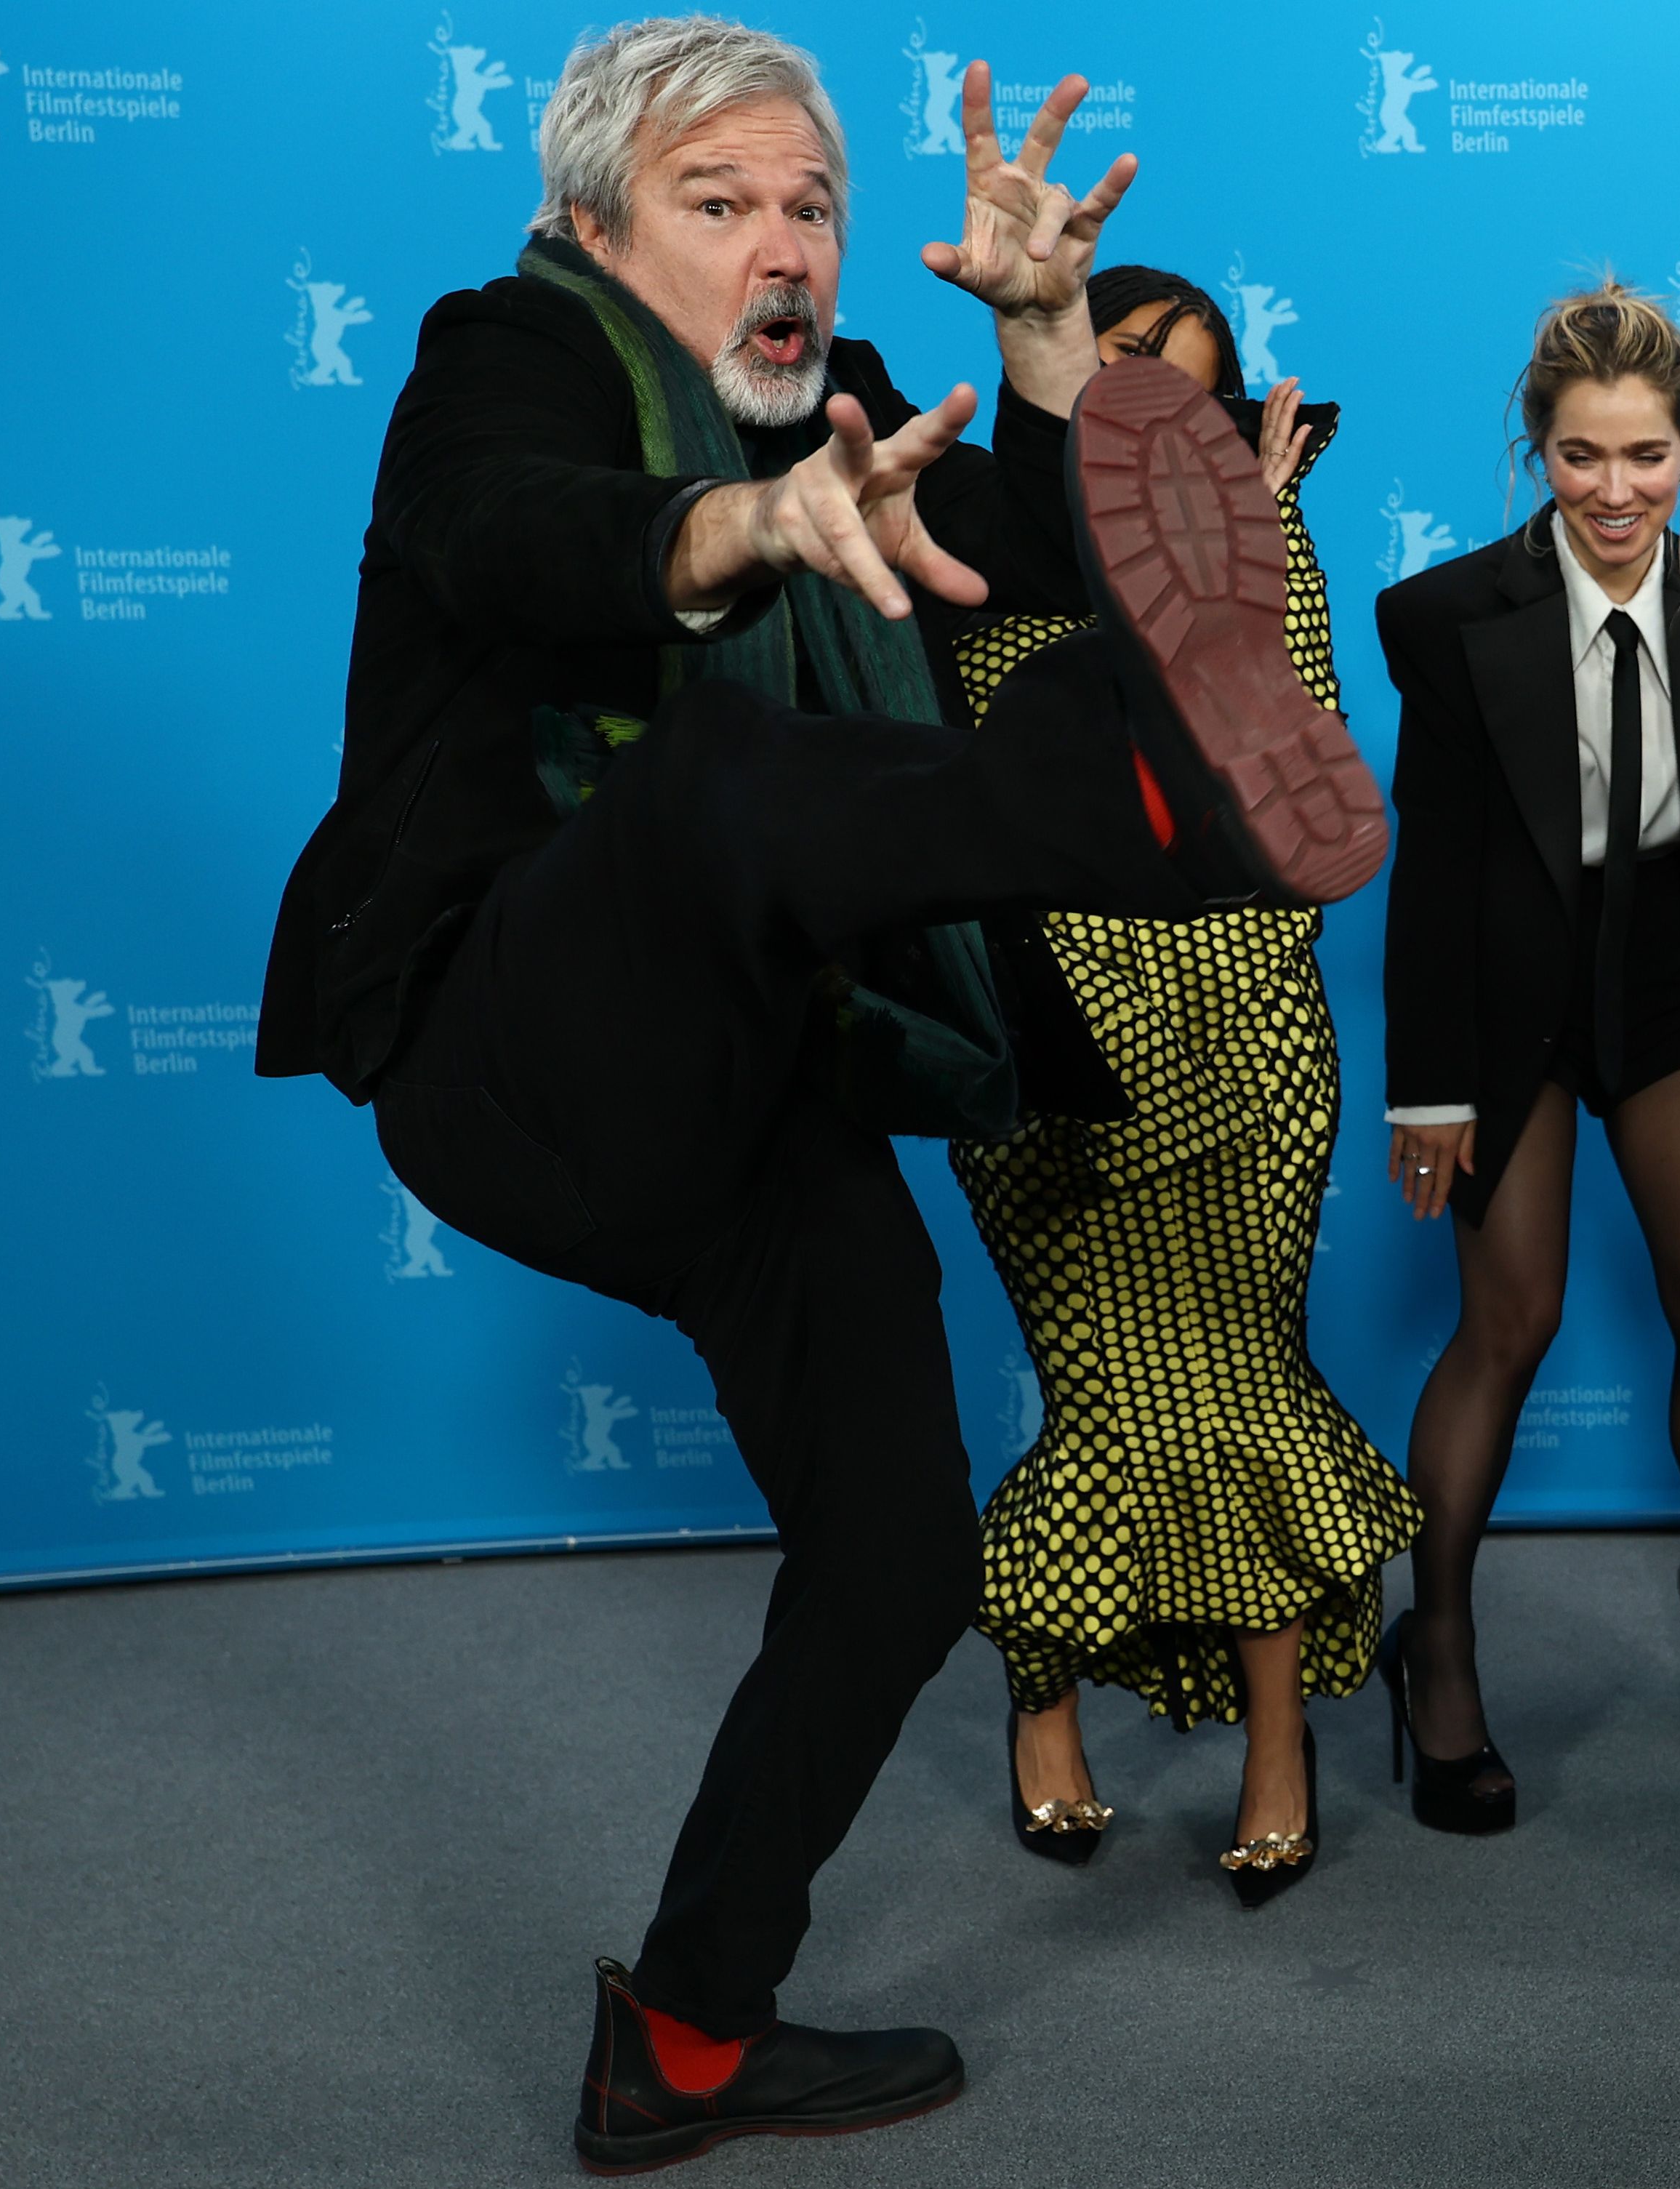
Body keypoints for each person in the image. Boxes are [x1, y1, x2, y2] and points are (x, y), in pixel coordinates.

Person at [250, 21, 1382, 2170]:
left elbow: (1049, 556)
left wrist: (1049, 342)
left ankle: (683, 2034)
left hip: (753, 1085)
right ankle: (1152, 792)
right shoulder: (506, 350)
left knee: (897, 1557)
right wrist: (740, 524)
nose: (784, 246)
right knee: (722, 777)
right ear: (592, 228)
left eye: (813, 206)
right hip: (513, 1029)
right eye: (720, 203)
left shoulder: (851, 391)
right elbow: (515, 535)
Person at [953, 263, 1418, 1908]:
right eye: (1129, 356)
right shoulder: (965, 527)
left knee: (1240, 1382)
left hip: (1246, 1022)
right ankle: (1042, 1707)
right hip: (1057, 1023)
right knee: (1109, 1399)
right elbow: (953, 784)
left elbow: (1305, 790)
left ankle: (1279, 1750)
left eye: (1193, 386)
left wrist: (1251, 538)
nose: (1151, 395)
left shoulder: (1256, 546)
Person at [1372, 279, 1680, 1831]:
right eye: (1581, 457)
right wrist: (1429, 1084)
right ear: (1536, 453)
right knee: (1509, 1320)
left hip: (1671, 995)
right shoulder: (1441, 620)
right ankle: (1434, 1643)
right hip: (1509, 1006)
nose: (1616, 492)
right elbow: (1429, 867)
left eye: (1646, 455)